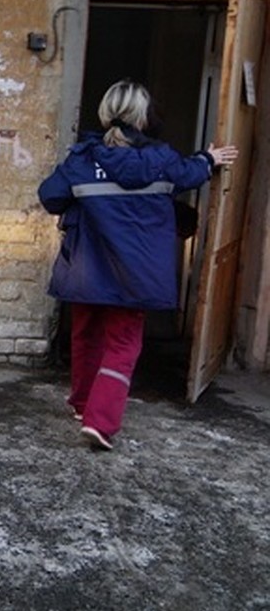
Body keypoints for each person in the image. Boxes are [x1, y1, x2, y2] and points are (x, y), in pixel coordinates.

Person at [38, 79, 239, 451]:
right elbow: (190, 174)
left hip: (88, 270)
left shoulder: (83, 158)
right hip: (137, 276)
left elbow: (50, 197)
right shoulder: (161, 160)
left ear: (106, 112)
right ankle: (100, 422)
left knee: (86, 336)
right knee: (122, 345)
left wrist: (84, 196)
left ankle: (84, 406)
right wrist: (208, 159)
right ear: (144, 116)